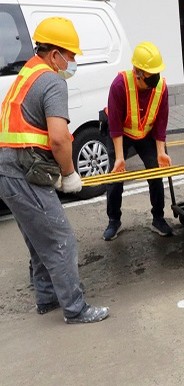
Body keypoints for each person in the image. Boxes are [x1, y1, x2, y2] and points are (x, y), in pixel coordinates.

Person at [0, 17, 109, 323]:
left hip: (8, 171)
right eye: (71, 55)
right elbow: (59, 137)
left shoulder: (28, 73)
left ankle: (48, 297)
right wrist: (70, 173)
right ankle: (76, 309)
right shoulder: (51, 80)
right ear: (54, 54)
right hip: (24, 172)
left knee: (39, 239)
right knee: (61, 239)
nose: (73, 62)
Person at [102, 42, 173, 241]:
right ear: (137, 72)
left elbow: (161, 122)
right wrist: (119, 158)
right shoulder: (119, 85)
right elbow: (114, 124)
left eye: (156, 75)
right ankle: (114, 220)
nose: (154, 82)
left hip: (146, 134)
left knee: (156, 171)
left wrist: (160, 151)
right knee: (115, 177)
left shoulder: (160, 87)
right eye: (150, 77)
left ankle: (158, 218)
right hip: (121, 133)